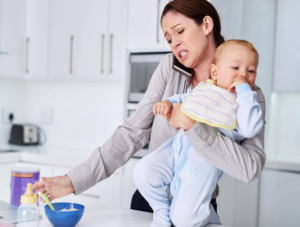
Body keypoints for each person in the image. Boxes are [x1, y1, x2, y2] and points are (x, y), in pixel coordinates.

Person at [33, 0, 266, 219]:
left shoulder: (248, 96)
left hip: (196, 207)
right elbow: (132, 133)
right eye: (168, 38)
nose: (174, 42)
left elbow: (250, 167)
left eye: (180, 31)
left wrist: (192, 126)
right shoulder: (169, 68)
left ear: (206, 25)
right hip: (150, 202)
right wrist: (73, 180)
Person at [133, 39, 263, 227]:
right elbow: (185, 99)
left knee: (184, 220)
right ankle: (161, 213)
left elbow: (250, 128)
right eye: (235, 67)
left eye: (251, 71)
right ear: (215, 72)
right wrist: (169, 102)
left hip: (204, 159)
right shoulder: (205, 88)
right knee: (143, 172)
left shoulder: (244, 103)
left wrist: (244, 92)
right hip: (177, 146)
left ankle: (210, 220)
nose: (243, 74)